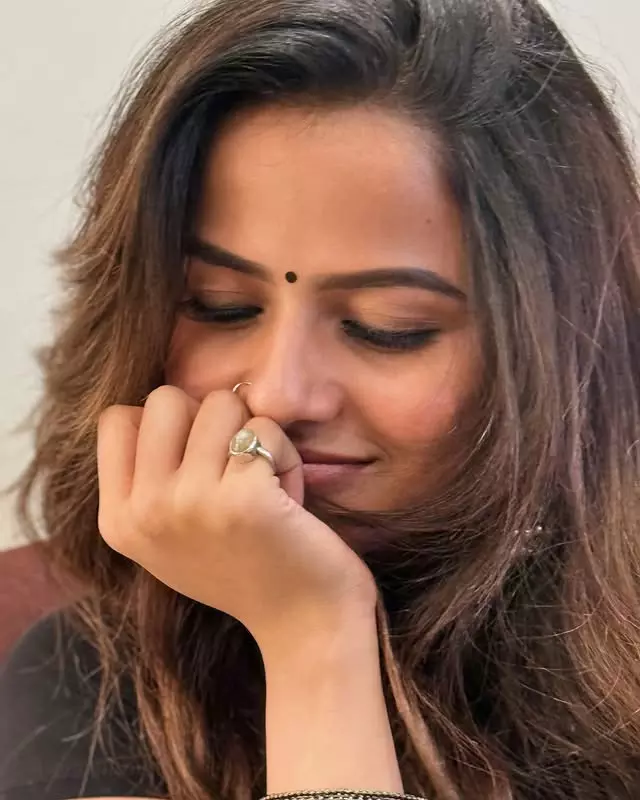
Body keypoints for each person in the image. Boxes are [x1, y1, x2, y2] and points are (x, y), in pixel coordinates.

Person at [1, 0, 639, 798]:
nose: (279, 393)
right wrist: (311, 636)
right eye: (220, 307)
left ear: (562, 349)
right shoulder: (90, 686)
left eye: (389, 328)